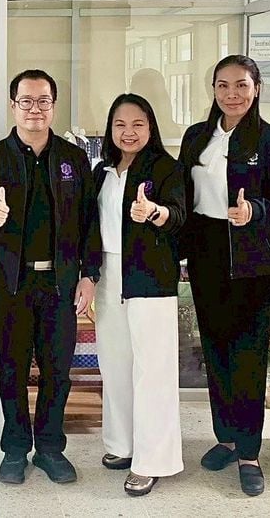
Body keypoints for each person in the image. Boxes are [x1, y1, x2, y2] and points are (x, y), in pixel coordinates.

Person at [0, 69, 101, 486]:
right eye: (26, 101)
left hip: (60, 283)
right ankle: (14, 449)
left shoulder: (73, 158)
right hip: (12, 283)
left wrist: (90, 274)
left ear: (53, 106)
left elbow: (89, 221)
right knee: (11, 370)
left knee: (57, 372)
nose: (35, 109)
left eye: (43, 101)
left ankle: (50, 449)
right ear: (13, 106)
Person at [177, 56, 270, 496]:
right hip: (206, 254)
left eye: (241, 85)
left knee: (247, 356)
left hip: (253, 260)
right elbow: (183, 195)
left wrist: (254, 211)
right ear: (213, 89)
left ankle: (249, 453)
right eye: (223, 85)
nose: (232, 94)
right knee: (216, 350)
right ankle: (225, 437)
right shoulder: (197, 136)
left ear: (256, 88)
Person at [92, 93, 185, 497]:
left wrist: (154, 213)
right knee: (115, 363)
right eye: (120, 124)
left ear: (150, 127)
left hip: (149, 276)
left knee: (153, 370)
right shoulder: (102, 171)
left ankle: (152, 460)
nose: (128, 132)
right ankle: (122, 443)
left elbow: (179, 215)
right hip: (108, 275)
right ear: (110, 130)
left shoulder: (165, 167)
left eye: (137, 124)